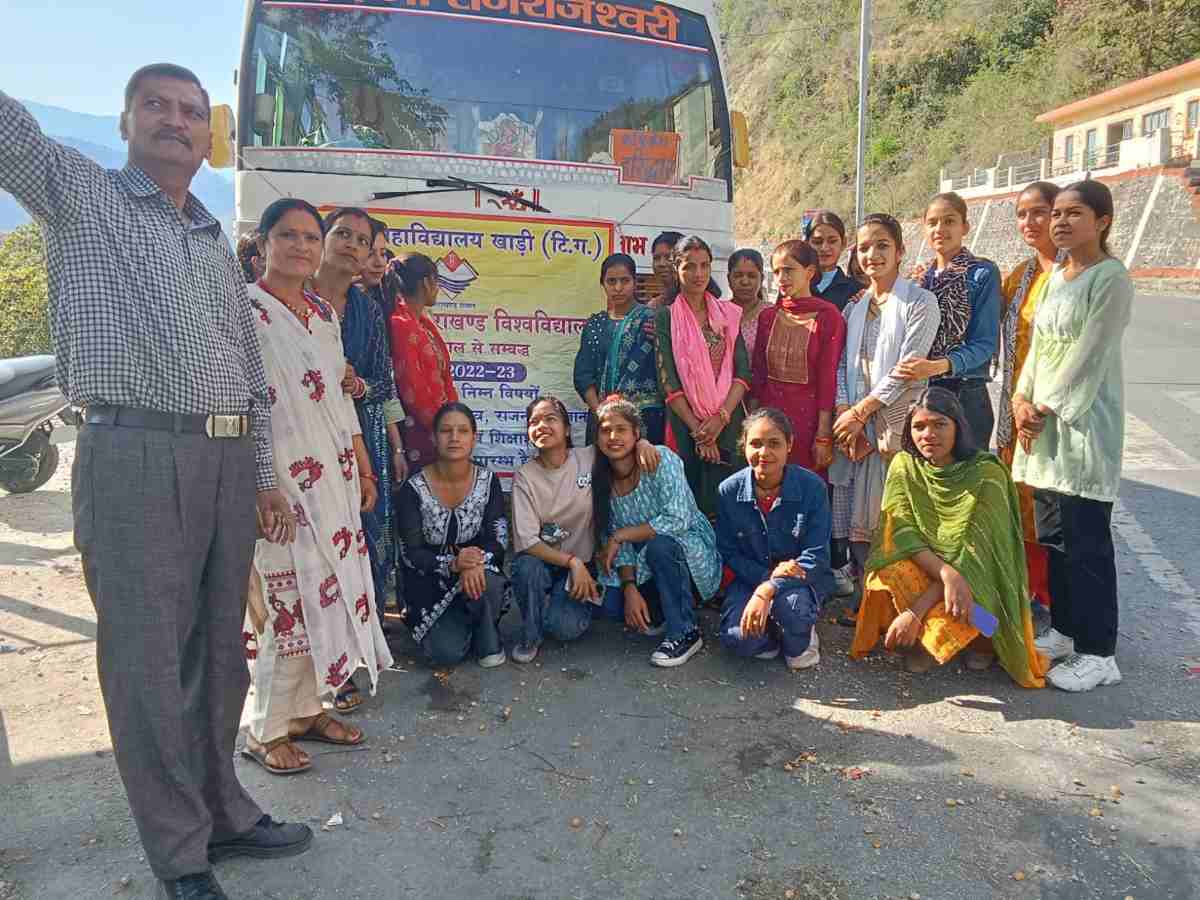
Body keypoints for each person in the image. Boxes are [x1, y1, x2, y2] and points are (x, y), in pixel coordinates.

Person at [0, 67, 311, 899]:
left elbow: (248, 373)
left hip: (222, 463)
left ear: (206, 138)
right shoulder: (81, 193)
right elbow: (11, 133)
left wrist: (260, 478)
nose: (174, 122)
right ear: (128, 121)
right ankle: (180, 851)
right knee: (146, 662)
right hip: (132, 453)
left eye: (188, 112)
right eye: (155, 108)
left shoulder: (211, 239)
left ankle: (224, 812)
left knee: (220, 652)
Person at [243, 197, 393, 775]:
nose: (302, 246)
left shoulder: (323, 315)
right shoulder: (244, 309)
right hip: (278, 482)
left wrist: (364, 464)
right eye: (289, 235)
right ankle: (264, 728)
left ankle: (306, 711)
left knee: (328, 592)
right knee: (288, 606)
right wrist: (259, 486)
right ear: (262, 244)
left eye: (310, 236)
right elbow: (244, 404)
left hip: (335, 477)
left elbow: (338, 397)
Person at [1013, 180, 1134, 693]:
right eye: (1056, 213)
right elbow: (1038, 350)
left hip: (1083, 426)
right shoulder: (1059, 276)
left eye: (1073, 213)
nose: (1060, 222)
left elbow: (1089, 354)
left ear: (1102, 221)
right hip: (1042, 427)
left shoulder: (1110, 279)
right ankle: (1064, 629)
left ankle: (1099, 650)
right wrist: (1020, 400)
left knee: (1087, 542)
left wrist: (1041, 406)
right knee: (1054, 535)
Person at [849, 388, 1048, 685]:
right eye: (919, 426)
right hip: (932, 567)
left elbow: (980, 553)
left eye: (940, 424)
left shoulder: (987, 474)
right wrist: (945, 574)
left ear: (958, 426)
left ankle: (984, 637)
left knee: (977, 618)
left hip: (976, 576)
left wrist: (919, 609)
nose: (928, 434)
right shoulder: (905, 466)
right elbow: (902, 535)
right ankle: (921, 638)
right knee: (886, 573)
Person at [311, 209, 406, 711]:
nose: (352, 245)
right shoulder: (288, 300)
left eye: (362, 240)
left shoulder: (368, 310)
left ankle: (349, 658)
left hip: (357, 440)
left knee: (359, 545)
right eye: (341, 234)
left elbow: (384, 383)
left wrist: (358, 384)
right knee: (309, 550)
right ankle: (304, 666)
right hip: (300, 442)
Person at [830, 214, 941, 582]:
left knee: (893, 518)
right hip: (856, 431)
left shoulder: (920, 303)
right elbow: (842, 364)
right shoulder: (854, 309)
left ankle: (899, 603)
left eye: (882, 245)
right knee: (855, 523)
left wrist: (861, 412)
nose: (872, 254)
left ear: (900, 251)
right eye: (864, 247)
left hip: (892, 428)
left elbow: (907, 369)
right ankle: (866, 600)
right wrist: (845, 410)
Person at [510, 396, 660, 663]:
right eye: (534, 422)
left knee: (565, 628)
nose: (541, 426)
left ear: (567, 429)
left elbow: (620, 441)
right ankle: (530, 634)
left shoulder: (589, 457)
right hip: (545, 561)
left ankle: (554, 603)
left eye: (550, 419)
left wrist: (643, 443)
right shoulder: (524, 476)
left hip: (584, 565)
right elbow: (528, 541)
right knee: (526, 567)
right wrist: (572, 562)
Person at [592, 397, 721, 666]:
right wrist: (628, 587)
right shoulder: (602, 480)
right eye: (605, 430)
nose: (613, 437)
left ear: (636, 433)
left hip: (686, 554)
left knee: (660, 545)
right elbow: (615, 539)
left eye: (621, 429)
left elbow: (678, 520)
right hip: (642, 563)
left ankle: (685, 632)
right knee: (613, 607)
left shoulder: (660, 459)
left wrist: (623, 535)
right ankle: (663, 609)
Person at [715, 408, 834, 669]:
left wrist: (770, 587)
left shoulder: (812, 487)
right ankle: (770, 633)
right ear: (743, 445)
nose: (764, 453)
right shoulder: (729, 490)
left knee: (795, 629)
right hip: (750, 578)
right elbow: (728, 552)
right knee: (739, 640)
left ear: (789, 445)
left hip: (799, 581)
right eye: (755, 444)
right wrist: (762, 580)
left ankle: (799, 633)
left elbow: (817, 554)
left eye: (774, 444)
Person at [396, 402, 510, 667]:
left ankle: (485, 634)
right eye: (446, 431)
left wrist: (474, 562)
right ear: (434, 439)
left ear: (474, 438)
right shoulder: (414, 488)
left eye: (463, 431)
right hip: (428, 583)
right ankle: (465, 626)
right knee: (445, 655)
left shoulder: (488, 480)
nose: (455, 438)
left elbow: (500, 537)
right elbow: (410, 553)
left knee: (489, 584)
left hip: (478, 574)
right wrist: (453, 564)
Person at [997, 181, 1062, 610]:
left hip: (1051, 411)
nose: (1029, 222)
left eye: (1039, 212)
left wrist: (1037, 406)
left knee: (1051, 506)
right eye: (1022, 214)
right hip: (1012, 408)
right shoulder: (1019, 277)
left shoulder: (1076, 274)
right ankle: (1026, 591)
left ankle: (1056, 598)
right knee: (1015, 501)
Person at [655, 235, 751, 517]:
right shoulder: (666, 317)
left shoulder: (728, 313)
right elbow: (668, 380)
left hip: (729, 421)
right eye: (689, 267)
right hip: (686, 426)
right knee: (692, 499)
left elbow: (742, 372)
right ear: (676, 270)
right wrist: (700, 432)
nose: (698, 274)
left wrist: (720, 418)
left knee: (730, 502)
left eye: (704, 266)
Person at [896, 192, 1002, 447]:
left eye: (949, 221)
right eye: (932, 222)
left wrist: (937, 366)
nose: (940, 229)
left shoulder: (981, 274)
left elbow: (985, 344)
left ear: (965, 227)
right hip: (925, 395)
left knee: (966, 478)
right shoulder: (920, 280)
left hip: (966, 395)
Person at [751, 239, 845, 477]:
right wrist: (751, 426)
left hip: (809, 425)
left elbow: (827, 379)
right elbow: (759, 375)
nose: (781, 278)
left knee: (805, 490)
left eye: (789, 270)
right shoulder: (768, 317)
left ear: (810, 272)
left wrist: (823, 435)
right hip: (770, 423)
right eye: (776, 272)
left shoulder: (828, 316)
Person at [575, 253, 665, 444]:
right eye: (611, 281)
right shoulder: (595, 325)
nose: (618, 288)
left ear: (634, 282)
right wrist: (601, 412)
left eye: (624, 281)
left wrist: (661, 339)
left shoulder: (652, 320)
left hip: (645, 419)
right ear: (603, 284)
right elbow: (583, 375)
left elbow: (668, 368)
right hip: (603, 419)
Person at [390, 252, 459, 472]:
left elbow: (444, 378)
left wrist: (453, 421)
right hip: (417, 435)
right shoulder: (400, 324)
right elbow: (412, 389)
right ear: (428, 282)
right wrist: (446, 428)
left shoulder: (424, 325)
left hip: (441, 429)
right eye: (437, 281)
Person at [805, 210, 864, 311]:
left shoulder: (855, 291)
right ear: (806, 244)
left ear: (844, 243)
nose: (824, 248)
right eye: (817, 242)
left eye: (832, 241)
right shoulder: (795, 284)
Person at [728, 247, 769, 357]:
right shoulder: (717, 313)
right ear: (728, 279)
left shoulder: (772, 315)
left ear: (762, 279)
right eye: (738, 276)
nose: (745, 282)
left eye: (752, 276)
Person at [646, 230, 684, 308]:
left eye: (668, 257)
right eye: (656, 258)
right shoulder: (653, 307)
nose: (661, 264)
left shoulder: (701, 304)